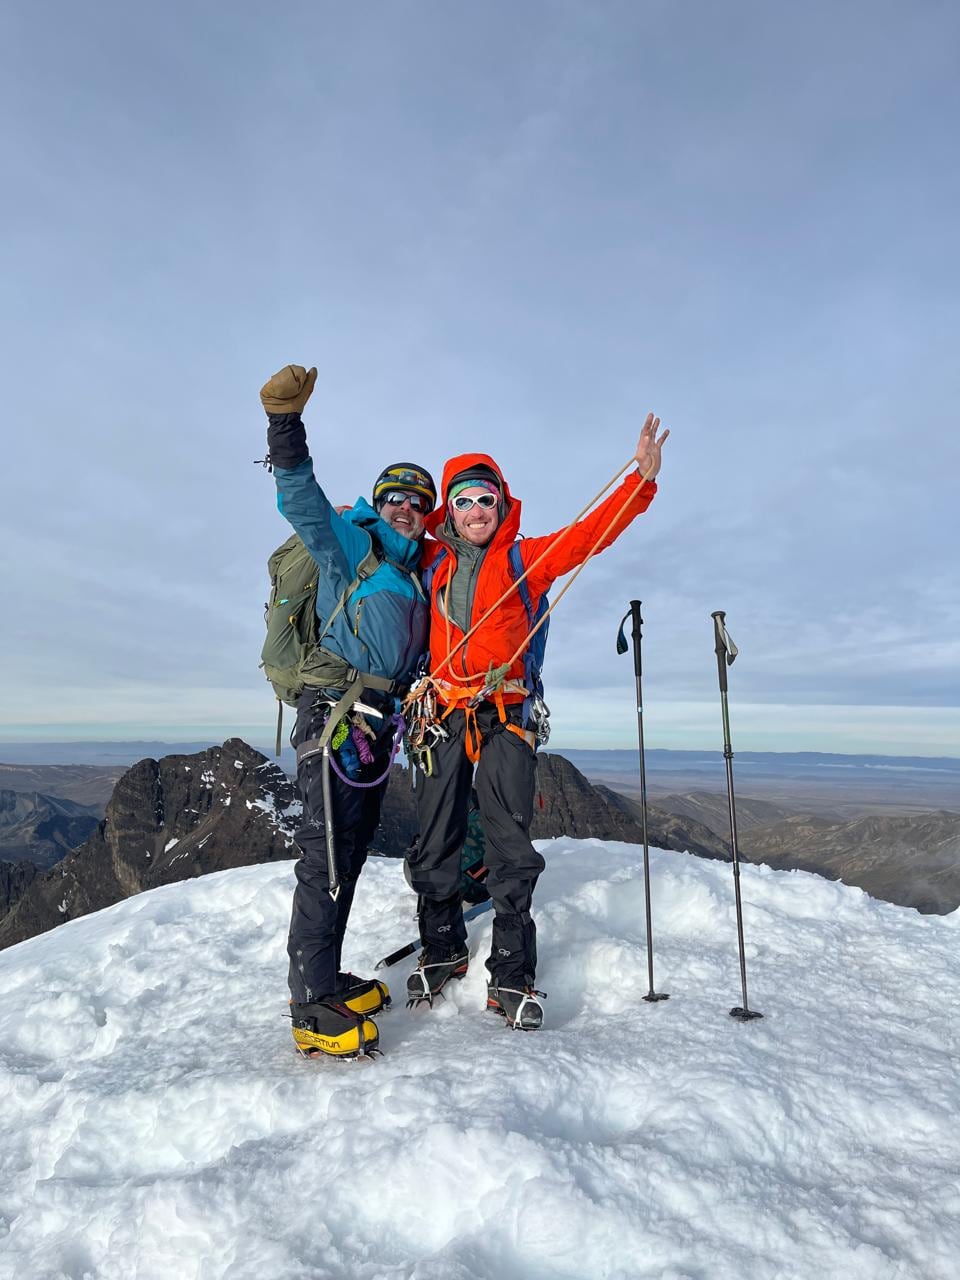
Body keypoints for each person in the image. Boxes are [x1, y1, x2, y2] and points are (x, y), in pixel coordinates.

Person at [405, 414, 668, 1029]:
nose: (476, 509)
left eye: (486, 498)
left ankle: (512, 970)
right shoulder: (433, 563)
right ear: (450, 509)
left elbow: (588, 536)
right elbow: (378, 532)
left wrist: (641, 482)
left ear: (502, 505)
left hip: (504, 713)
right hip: (443, 712)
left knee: (510, 845)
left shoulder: (525, 559)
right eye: (464, 499)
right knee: (435, 835)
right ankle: (442, 946)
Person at [260, 364, 437, 1058]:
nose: (405, 510)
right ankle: (309, 1006)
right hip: (335, 713)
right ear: (380, 501)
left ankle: (325, 975)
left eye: (417, 505)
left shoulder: (416, 577)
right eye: (397, 498)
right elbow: (301, 499)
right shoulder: (353, 547)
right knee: (324, 854)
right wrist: (284, 422)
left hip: (373, 724)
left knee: (349, 852)